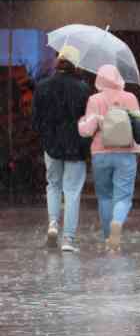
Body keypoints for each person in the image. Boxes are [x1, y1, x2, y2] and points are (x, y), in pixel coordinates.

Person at [32, 45, 92, 251]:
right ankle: (68, 239)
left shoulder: (42, 86)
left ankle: (53, 224)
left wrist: (47, 134)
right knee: (72, 191)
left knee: (53, 185)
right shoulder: (83, 88)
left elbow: (36, 121)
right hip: (76, 146)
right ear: (75, 64)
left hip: (52, 145)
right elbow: (88, 121)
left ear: (58, 62)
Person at [78, 65, 140, 251]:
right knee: (123, 197)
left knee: (105, 197)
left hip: (101, 153)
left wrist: (83, 122)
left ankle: (108, 238)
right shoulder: (130, 98)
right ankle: (117, 222)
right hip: (127, 153)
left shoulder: (94, 99)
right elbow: (139, 124)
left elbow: (87, 131)